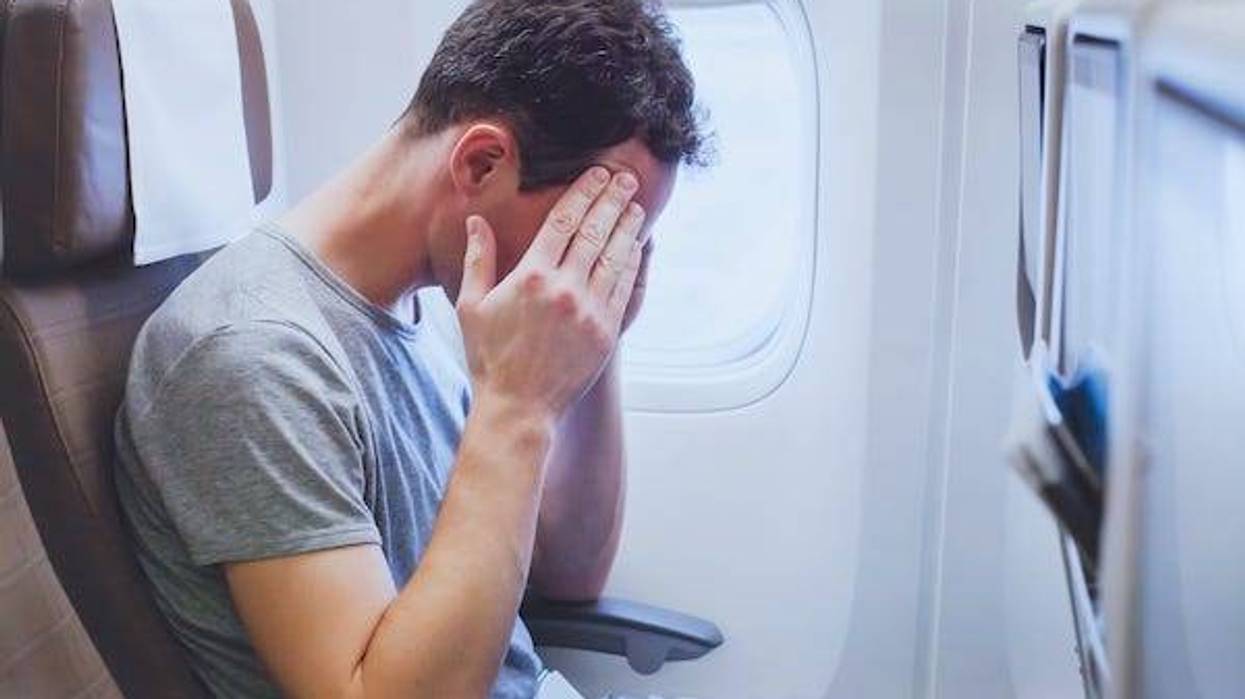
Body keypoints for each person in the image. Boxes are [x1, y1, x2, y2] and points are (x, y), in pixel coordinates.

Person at [113, 0, 708, 697]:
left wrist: (596, 346)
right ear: (481, 163)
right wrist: (516, 406)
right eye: (586, 235)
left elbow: (569, 571)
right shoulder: (252, 355)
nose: (592, 268)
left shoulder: (429, 309)